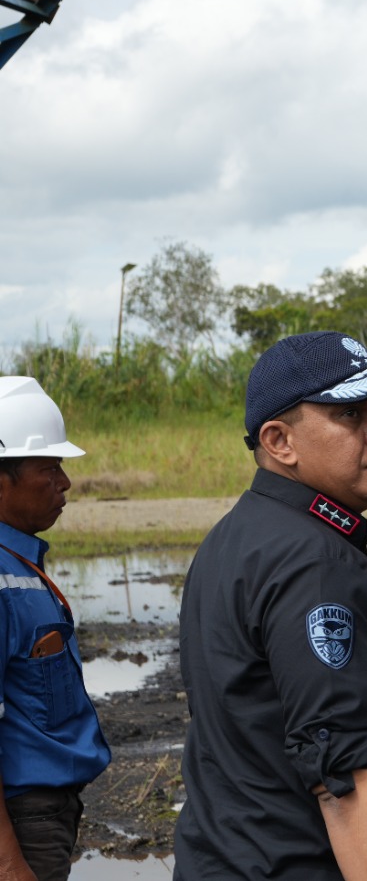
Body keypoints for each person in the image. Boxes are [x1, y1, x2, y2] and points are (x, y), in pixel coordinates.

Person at [175, 332, 367, 881]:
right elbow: (346, 780)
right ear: (279, 441)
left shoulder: (237, 534)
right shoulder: (316, 565)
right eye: (349, 414)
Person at [0, 378, 110, 881]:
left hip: (44, 814)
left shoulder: (19, 563)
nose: (65, 482)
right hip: (23, 822)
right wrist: (10, 865)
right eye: (48, 468)